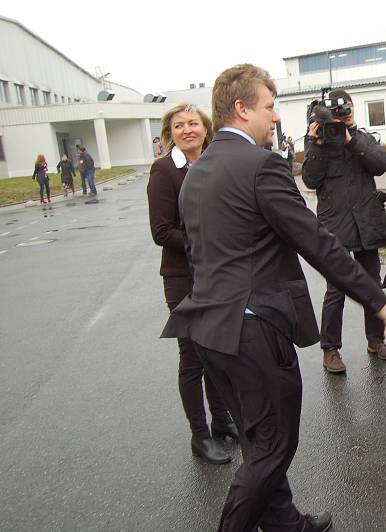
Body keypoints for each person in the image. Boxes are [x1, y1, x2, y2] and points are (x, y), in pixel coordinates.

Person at [161, 64, 386, 532]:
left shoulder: (198, 169)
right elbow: (316, 239)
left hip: (208, 328)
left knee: (256, 440)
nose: (274, 118)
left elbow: (199, 251)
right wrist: (374, 296)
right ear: (243, 108)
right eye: (269, 107)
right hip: (253, 330)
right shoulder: (260, 165)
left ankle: (286, 523)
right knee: (273, 446)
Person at [147, 103, 237, 465]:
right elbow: (160, 231)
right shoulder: (165, 170)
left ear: (205, 127)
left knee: (216, 349)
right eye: (179, 125)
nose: (187, 130)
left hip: (215, 274)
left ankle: (221, 420)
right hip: (183, 278)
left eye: (193, 123)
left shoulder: (214, 162)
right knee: (193, 358)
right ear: (171, 131)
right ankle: (199, 435)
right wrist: (203, 240)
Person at [302, 88, 386, 373]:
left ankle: (375, 339)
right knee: (336, 288)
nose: (345, 113)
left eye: (348, 107)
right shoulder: (318, 142)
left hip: (366, 222)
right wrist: (317, 144)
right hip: (336, 225)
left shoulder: (362, 137)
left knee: (371, 283)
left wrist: (351, 140)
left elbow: (380, 166)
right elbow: (310, 180)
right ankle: (331, 349)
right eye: (339, 110)